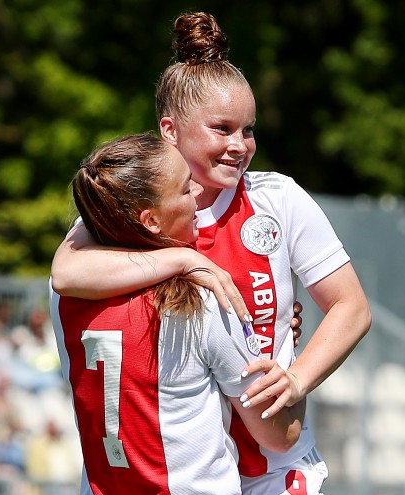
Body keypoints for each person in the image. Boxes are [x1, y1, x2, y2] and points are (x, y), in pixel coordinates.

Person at [50, 11, 372, 494]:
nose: (240, 146)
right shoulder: (133, 211)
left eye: (248, 130)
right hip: (185, 465)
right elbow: (66, 272)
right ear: (170, 130)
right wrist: (186, 260)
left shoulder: (277, 199)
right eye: (222, 129)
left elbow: (351, 306)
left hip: (273, 460)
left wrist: (297, 379)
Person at [51, 132, 306, 495]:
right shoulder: (201, 302)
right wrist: (285, 348)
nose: (199, 194)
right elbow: (279, 435)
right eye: (186, 190)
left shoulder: (63, 297)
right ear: (151, 221)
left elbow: (64, 269)